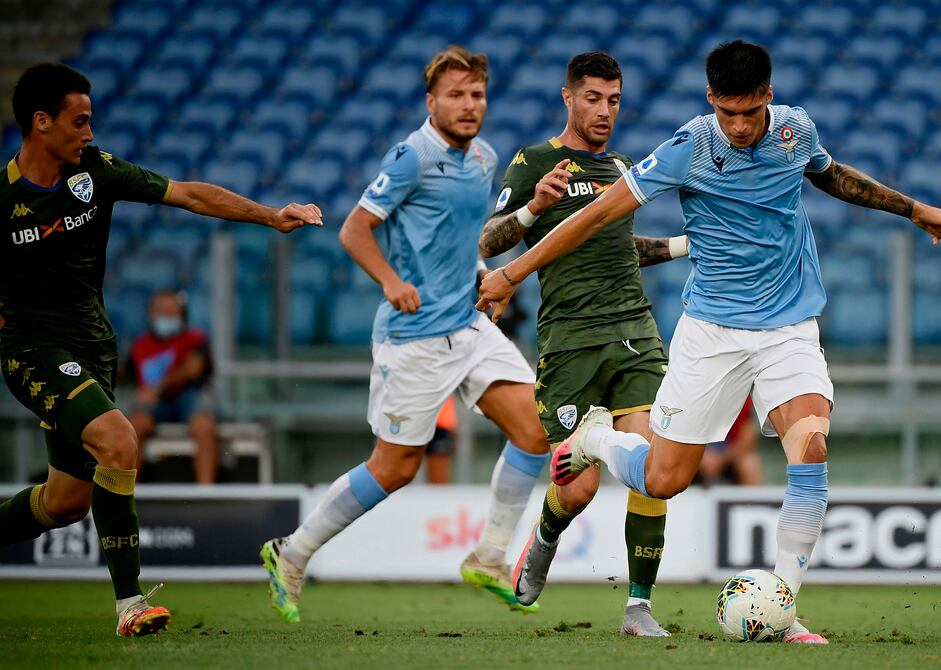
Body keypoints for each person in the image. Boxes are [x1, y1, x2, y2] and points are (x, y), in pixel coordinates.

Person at [477, 40, 941, 644]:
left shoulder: (795, 132)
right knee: (663, 480)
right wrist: (512, 273)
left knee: (811, 448)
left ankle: (781, 608)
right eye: (726, 112)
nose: (738, 126)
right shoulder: (689, 147)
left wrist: (913, 209)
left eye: (749, 112)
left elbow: (833, 176)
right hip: (712, 331)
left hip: (789, 325)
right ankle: (596, 440)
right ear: (711, 100)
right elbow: (596, 216)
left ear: (768, 98)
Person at [0, 63, 322, 637]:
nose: (90, 133)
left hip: (94, 349)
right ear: (41, 122)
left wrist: (270, 215)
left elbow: (188, 193)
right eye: (79, 122)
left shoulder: (95, 171)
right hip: (33, 352)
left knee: (65, 503)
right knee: (119, 441)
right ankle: (130, 603)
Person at [260, 46, 551, 623]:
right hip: (414, 337)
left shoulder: (484, 157)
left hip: (468, 325)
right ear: (430, 101)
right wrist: (391, 281)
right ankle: (291, 552)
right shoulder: (411, 156)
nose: (468, 105)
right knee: (395, 468)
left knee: (536, 429)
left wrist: (484, 278)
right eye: (455, 95)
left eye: (476, 95)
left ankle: (490, 556)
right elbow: (354, 229)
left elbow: (461, 237)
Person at [478, 52, 689, 636]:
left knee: (651, 466)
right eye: (593, 98)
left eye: (614, 100)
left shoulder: (623, 167)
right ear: (568, 97)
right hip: (570, 341)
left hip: (635, 332)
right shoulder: (535, 162)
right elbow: (490, 243)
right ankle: (545, 537)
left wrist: (683, 246)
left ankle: (638, 607)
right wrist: (534, 208)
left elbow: (621, 246)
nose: (604, 111)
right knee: (580, 490)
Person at [127, 290, 217, 485]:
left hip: (188, 396)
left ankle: (206, 491)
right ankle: (127, 491)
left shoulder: (196, 338)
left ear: (182, 315)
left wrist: (158, 386)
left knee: (204, 426)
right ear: (151, 314)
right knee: (134, 426)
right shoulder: (139, 344)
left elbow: (193, 369)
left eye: (171, 312)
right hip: (155, 404)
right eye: (161, 311)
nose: (166, 317)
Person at [697, 396, 763, 486]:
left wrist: (722, 458)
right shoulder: (701, 397)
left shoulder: (746, 399)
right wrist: (702, 454)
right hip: (701, 452)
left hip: (732, 456)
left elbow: (747, 441)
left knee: (750, 464)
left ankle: (754, 496)